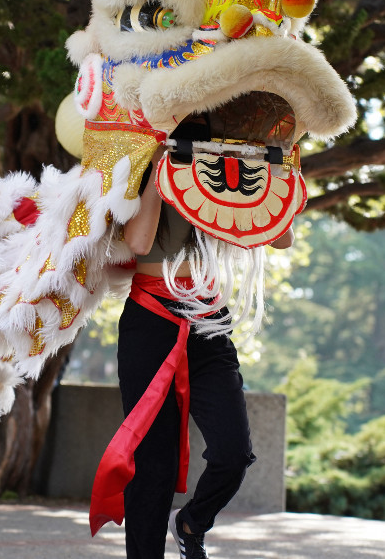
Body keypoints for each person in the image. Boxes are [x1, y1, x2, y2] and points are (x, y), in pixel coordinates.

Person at [104, 148, 296, 559]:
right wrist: (161, 166)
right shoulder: (149, 159)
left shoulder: (230, 162)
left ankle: (191, 523)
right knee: (153, 463)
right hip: (150, 319)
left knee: (234, 453)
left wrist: (274, 170)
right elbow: (138, 242)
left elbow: (282, 237)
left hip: (209, 321)